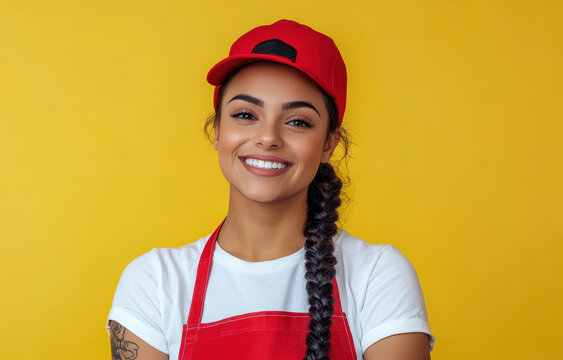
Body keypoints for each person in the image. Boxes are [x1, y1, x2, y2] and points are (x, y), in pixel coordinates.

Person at [106, 19, 435, 360]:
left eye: (298, 121)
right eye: (246, 114)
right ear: (218, 129)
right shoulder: (155, 281)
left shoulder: (377, 274)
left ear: (329, 144)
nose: (268, 137)